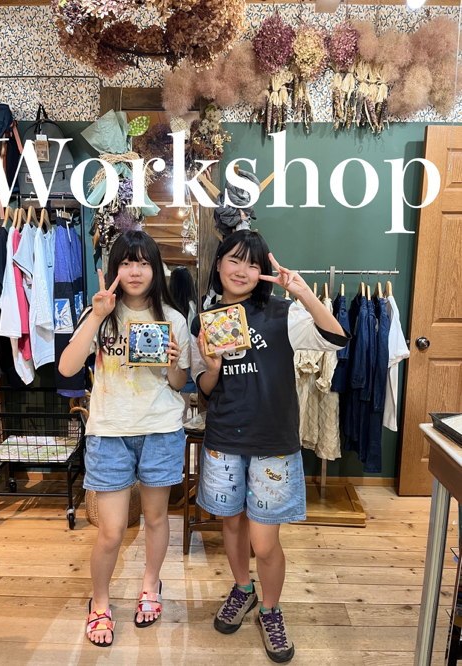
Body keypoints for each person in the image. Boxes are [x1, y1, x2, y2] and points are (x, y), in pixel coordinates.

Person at [190, 230, 349, 663]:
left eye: (253, 263)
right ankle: (243, 589)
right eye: (234, 260)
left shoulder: (283, 313)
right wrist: (212, 368)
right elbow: (206, 389)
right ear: (218, 264)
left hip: (273, 442)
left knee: (264, 541)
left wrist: (303, 293)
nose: (242, 270)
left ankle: (271, 609)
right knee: (232, 525)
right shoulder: (205, 320)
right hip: (224, 438)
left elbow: (336, 339)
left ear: (262, 272)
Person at [59, 230, 190, 647]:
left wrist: (174, 363)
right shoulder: (101, 312)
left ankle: (151, 584)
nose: (135, 271)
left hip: (160, 429)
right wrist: (97, 316)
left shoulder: (174, 319)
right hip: (110, 431)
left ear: (156, 269)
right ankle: (100, 601)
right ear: (114, 268)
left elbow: (179, 383)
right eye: (127, 262)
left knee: (156, 518)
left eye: (144, 263)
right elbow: (66, 368)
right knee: (111, 531)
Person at [169, 266, 198, 418]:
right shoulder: (192, 306)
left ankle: (178, 417)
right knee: (187, 388)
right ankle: (184, 418)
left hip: (171, 352)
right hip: (188, 354)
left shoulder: (168, 308)